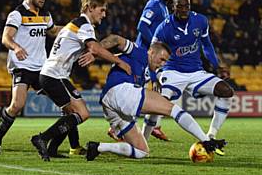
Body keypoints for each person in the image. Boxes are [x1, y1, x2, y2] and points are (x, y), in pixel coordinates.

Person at [0, 0, 91, 157]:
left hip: (42, 69)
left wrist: (73, 29)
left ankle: (74, 147)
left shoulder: (45, 15)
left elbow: (52, 31)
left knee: (69, 108)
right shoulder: (17, 14)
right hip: (22, 67)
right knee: (16, 105)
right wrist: (16, 47)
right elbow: (6, 38)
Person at [85, 35, 226, 161]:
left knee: (141, 151)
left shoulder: (147, 71)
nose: (163, 64)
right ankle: (207, 140)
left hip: (109, 104)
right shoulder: (139, 52)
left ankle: (97, 147)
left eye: (166, 61)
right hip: (120, 90)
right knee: (173, 109)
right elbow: (116, 39)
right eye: (162, 59)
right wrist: (94, 51)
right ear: (151, 52)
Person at [30, 0, 131, 161]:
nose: (104, 15)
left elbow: (90, 48)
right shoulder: (84, 25)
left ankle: (54, 148)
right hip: (55, 75)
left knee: (69, 113)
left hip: (50, 74)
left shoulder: (74, 24)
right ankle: (42, 138)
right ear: (90, 8)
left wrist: (92, 53)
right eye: (102, 10)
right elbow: (96, 47)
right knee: (83, 113)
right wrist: (119, 62)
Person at [145, 0, 233, 155]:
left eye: (187, 6)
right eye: (180, 6)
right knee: (158, 104)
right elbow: (152, 53)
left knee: (226, 92)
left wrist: (217, 66)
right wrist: (154, 78)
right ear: (173, 7)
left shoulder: (200, 21)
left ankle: (211, 136)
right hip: (172, 72)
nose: (184, 9)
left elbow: (207, 46)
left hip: (196, 72)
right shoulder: (164, 27)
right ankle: (142, 142)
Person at [131, 0, 175, 142]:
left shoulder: (164, 7)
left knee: (163, 88)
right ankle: (116, 128)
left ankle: (154, 125)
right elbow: (141, 26)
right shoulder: (154, 4)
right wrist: (154, 45)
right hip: (144, 55)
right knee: (139, 91)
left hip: (153, 57)